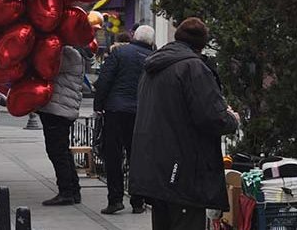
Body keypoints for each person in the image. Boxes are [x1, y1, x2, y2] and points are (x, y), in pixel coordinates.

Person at [130, 18, 239, 230]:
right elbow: (212, 117)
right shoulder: (193, 68)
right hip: (183, 170)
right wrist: (231, 118)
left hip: (155, 167)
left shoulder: (154, 65)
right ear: (201, 45)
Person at [94, 25, 154, 215]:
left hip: (115, 110)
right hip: (141, 113)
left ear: (134, 36)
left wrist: (99, 105)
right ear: (151, 42)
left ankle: (115, 200)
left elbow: (104, 79)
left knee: (113, 156)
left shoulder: (120, 53)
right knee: (137, 156)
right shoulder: (154, 59)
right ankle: (137, 201)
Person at [38, 45, 85, 206]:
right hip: (61, 108)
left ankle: (66, 192)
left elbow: (46, 68)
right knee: (63, 151)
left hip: (58, 110)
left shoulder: (69, 54)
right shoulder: (72, 53)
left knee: (57, 152)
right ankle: (73, 190)